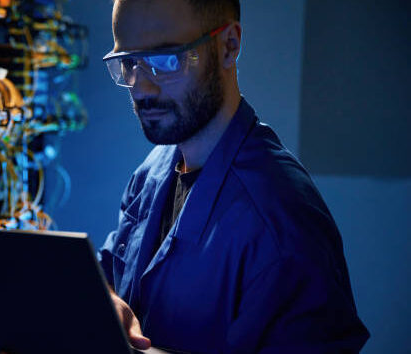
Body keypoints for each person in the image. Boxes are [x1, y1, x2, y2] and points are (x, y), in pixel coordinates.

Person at [98, 0, 370, 352]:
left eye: (166, 60)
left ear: (228, 45)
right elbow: (103, 273)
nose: (142, 89)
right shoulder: (153, 171)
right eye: (130, 63)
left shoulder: (282, 224)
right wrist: (106, 300)